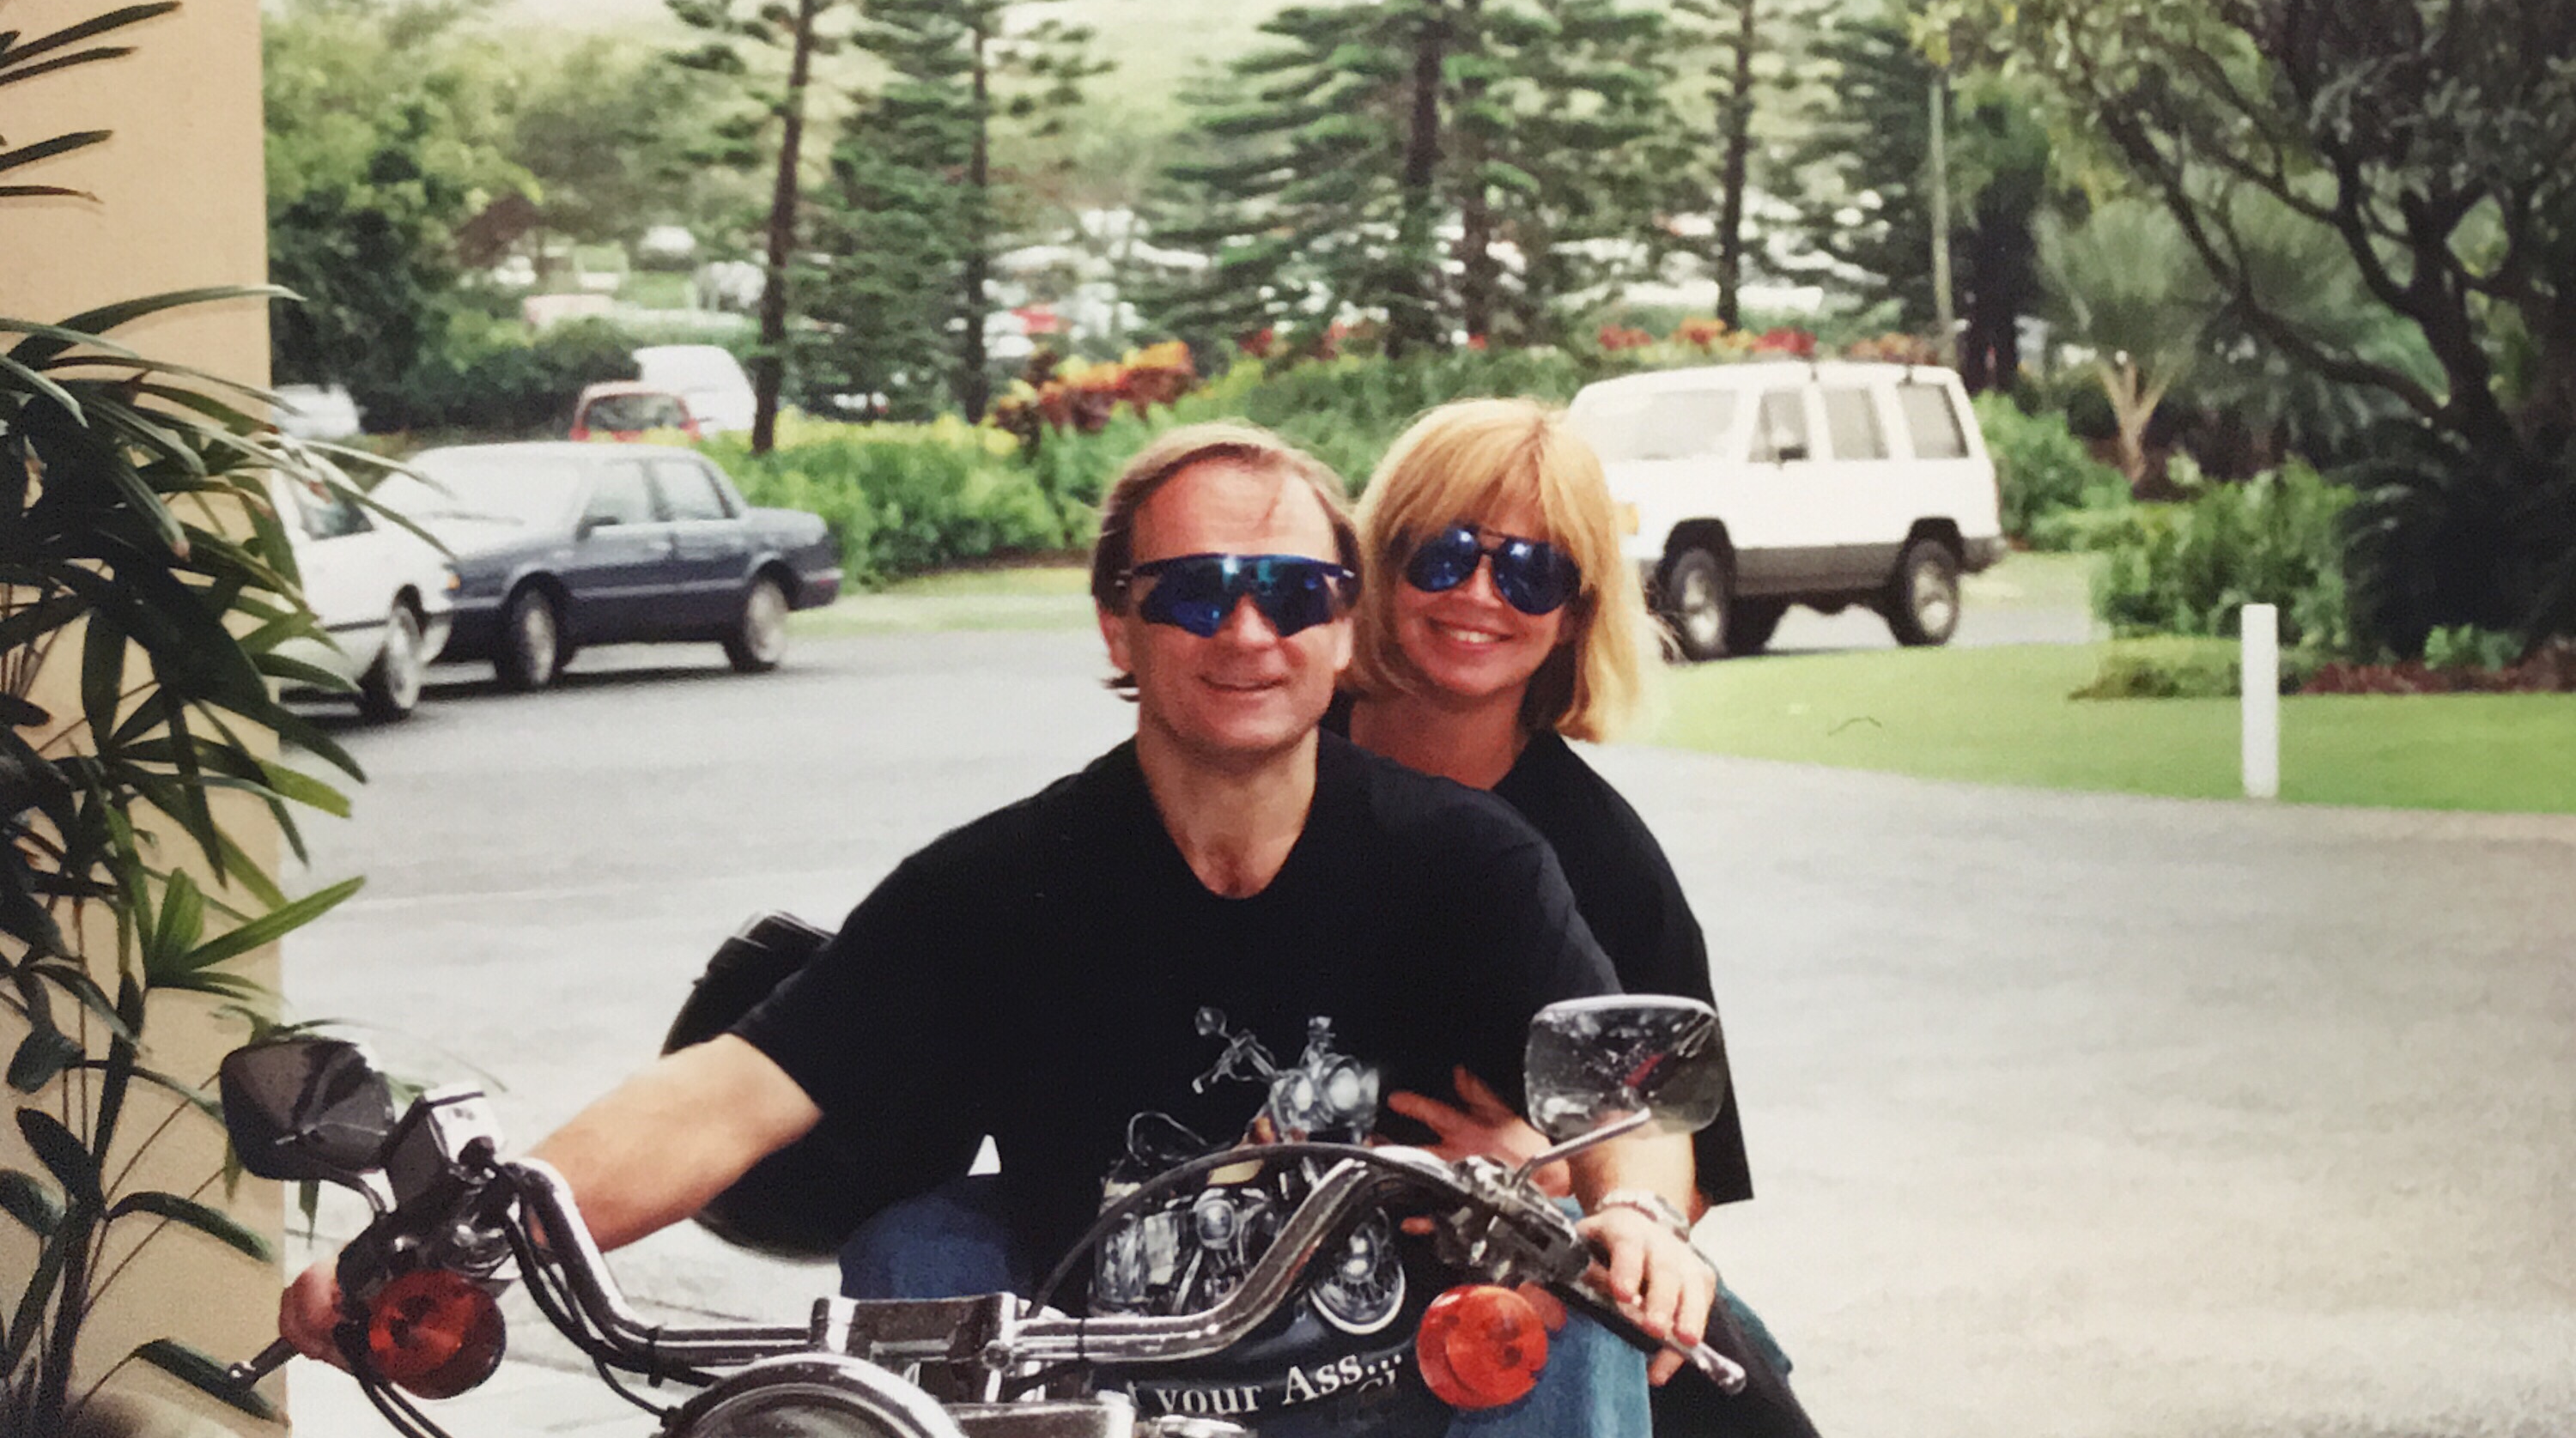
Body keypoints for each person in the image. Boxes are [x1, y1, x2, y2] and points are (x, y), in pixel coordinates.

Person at [279, 421, 1717, 1438]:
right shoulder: (1001, 880)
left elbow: (1621, 1097)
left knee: (1586, 1299)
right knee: (922, 1243)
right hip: (1108, 1392)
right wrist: (453, 1239)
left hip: (1412, 1381)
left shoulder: (1476, 859)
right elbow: (729, 1092)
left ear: (1345, 631)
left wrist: (1639, 1207)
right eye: (1195, 592)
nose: (1247, 631)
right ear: (1117, 627)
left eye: (1292, 594)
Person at [1336, 398, 1821, 1438]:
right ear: (1378, 561)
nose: (1479, 594)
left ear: (1574, 608)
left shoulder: (1607, 862)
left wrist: (1552, 1176)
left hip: (1511, 1282)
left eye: (1530, 572)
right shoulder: (1277, 764)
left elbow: (1684, 1175)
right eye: (1445, 554)